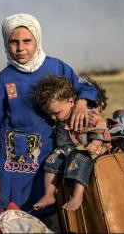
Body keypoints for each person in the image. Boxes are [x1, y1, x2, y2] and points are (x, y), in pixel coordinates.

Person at [0, 13, 97, 227]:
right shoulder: (5, 78)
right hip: (15, 160)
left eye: (27, 41)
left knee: (50, 214)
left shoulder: (58, 67)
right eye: (13, 42)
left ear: (38, 40)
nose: (20, 48)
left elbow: (86, 87)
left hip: (52, 153)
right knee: (13, 214)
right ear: (6, 42)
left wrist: (81, 103)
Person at [32, 75, 111, 211]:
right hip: (69, 149)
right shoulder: (60, 117)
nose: (53, 117)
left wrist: (95, 143)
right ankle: (49, 195)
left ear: (70, 101)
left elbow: (101, 127)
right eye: (49, 114)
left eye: (56, 113)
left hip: (90, 149)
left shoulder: (87, 115)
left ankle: (77, 195)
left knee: (79, 161)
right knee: (51, 160)